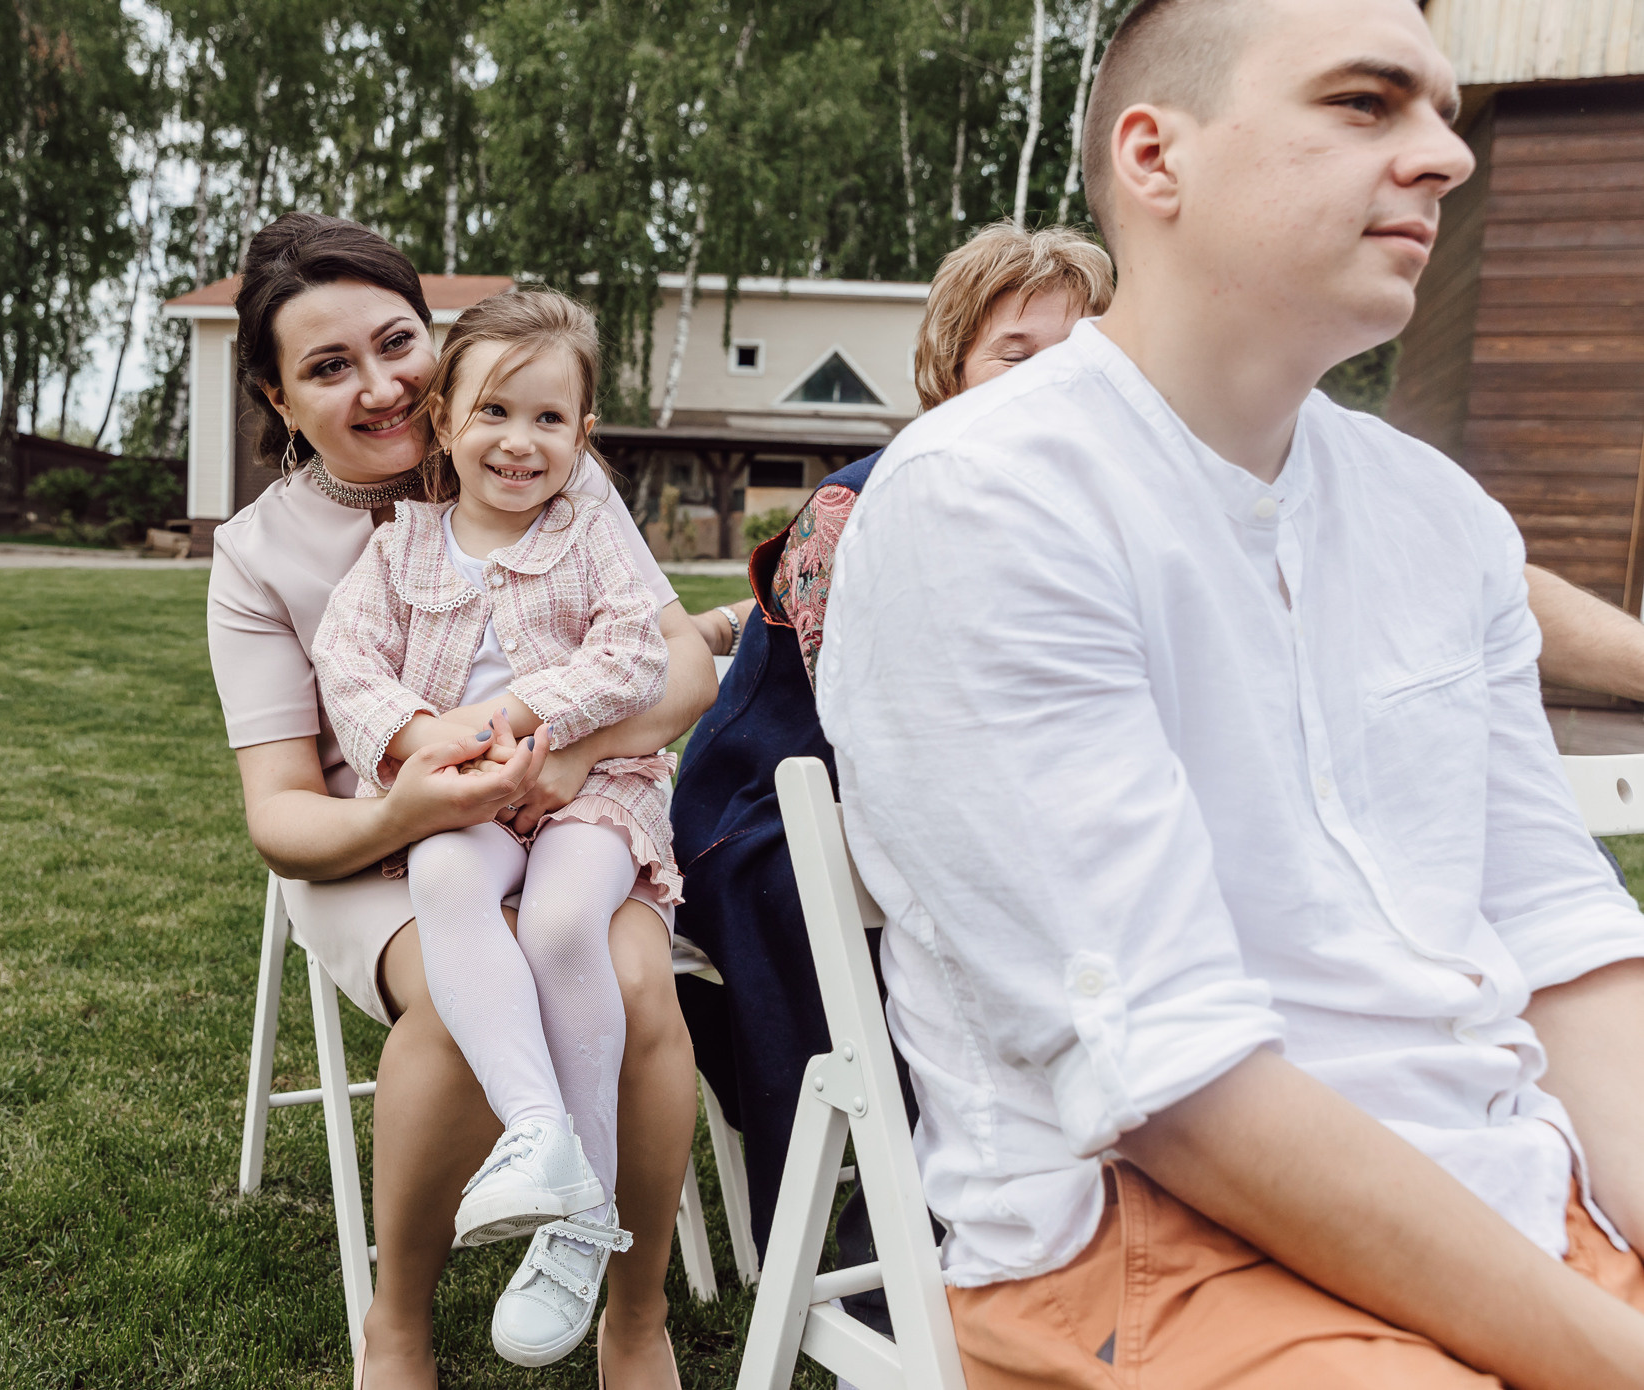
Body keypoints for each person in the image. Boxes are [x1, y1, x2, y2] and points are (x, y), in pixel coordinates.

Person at [818, 2, 1644, 1386]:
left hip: (1521, 1185)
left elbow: (1566, 946)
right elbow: (1172, 1086)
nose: (1445, 155)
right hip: (1162, 1247)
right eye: (1367, 104)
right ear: (1156, 158)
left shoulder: (1440, 515)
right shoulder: (989, 501)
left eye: (1441, 111)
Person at [209, 213, 710, 1390]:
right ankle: (399, 1317)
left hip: (560, 803)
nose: (380, 387)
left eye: (396, 344)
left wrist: (577, 755)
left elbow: (676, 662)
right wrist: (405, 814)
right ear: (279, 401)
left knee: (633, 979)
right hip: (370, 842)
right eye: (329, 369)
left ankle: (630, 1312)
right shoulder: (259, 553)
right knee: (452, 987)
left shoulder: (532, 453)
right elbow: (282, 812)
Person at [672, 220, 1115, 1261]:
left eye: (1078, 353)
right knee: (981, 923)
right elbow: (872, 719)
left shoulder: (1088, 510)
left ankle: (1011, 1195)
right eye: (1015, 351)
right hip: (776, 803)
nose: (1047, 379)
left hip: (949, 804)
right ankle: (884, 1230)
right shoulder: (859, 503)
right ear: (951, 366)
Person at [310, 289, 682, 1367]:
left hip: (590, 785)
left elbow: (636, 656)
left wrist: (526, 717)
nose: (520, 443)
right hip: (466, 792)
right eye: (494, 413)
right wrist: (429, 744)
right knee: (444, 878)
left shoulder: (588, 534)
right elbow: (350, 666)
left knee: (567, 922)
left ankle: (580, 1227)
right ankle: (541, 1133)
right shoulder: (401, 548)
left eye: (550, 420)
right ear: (444, 423)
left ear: (583, 435)